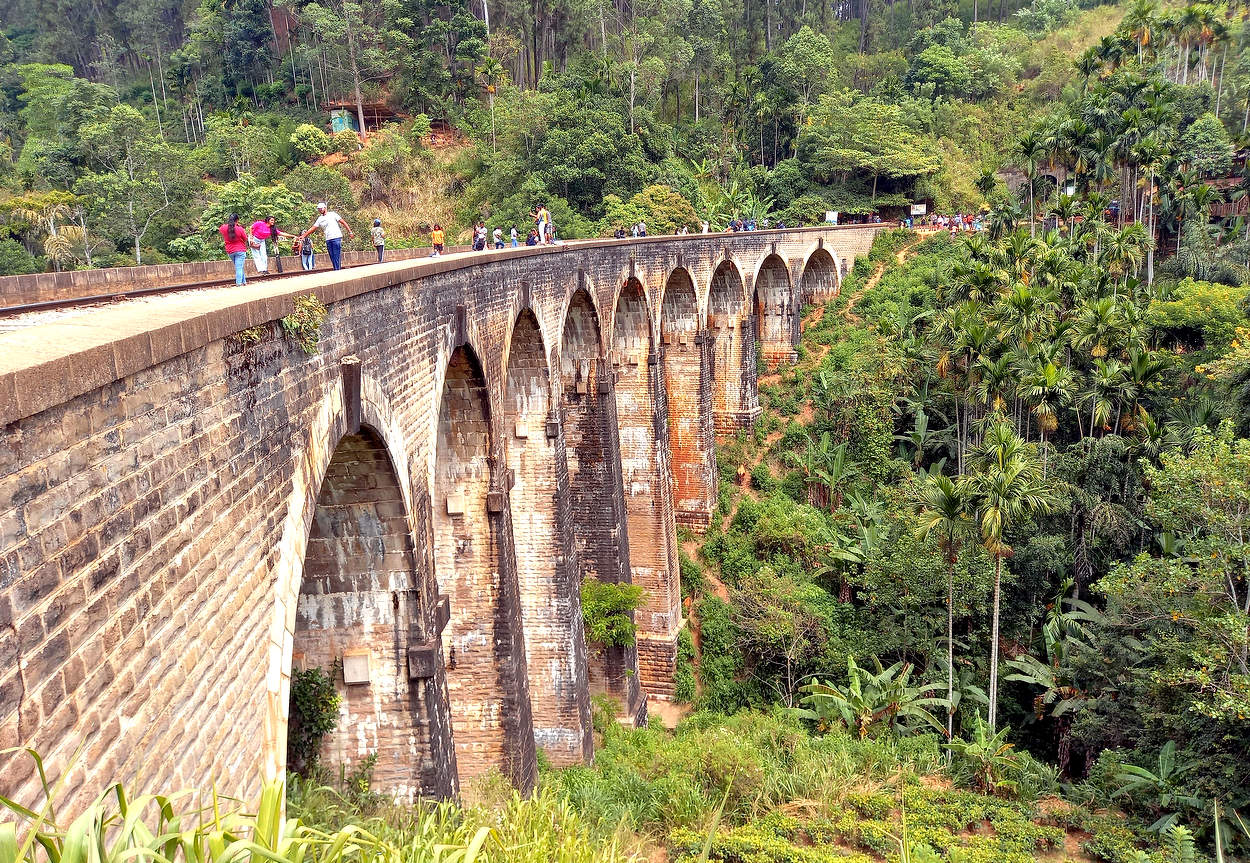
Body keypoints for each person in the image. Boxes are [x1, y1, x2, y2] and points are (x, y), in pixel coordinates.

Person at [299, 202, 354, 271]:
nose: (320, 210)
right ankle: (336, 269)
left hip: (336, 237)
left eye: (321, 208)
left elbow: (343, 222)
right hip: (328, 239)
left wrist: (350, 232)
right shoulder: (320, 219)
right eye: (319, 209)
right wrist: (304, 235)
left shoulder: (333, 214)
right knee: (331, 255)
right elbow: (313, 228)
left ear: (325, 208)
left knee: (336, 254)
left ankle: (337, 270)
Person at [220, 213, 249, 285]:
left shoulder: (223, 228)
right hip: (240, 250)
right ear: (237, 220)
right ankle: (238, 283)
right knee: (239, 267)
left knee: (239, 266)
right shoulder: (240, 229)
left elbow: (221, 229)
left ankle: (244, 282)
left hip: (230, 251)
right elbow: (245, 239)